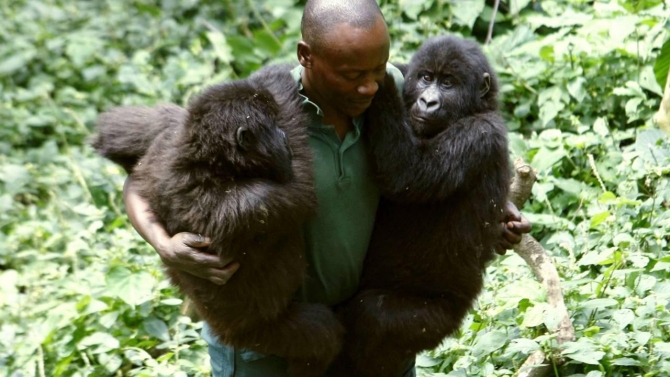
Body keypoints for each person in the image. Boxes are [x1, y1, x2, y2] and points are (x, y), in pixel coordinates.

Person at [122, 0, 531, 376]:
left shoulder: (394, 99)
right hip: (271, 337)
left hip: (364, 327)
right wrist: (163, 242)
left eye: (378, 70)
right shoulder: (260, 112)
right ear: (306, 57)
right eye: (353, 76)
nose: (369, 86)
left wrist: (484, 210)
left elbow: (428, 175)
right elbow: (144, 178)